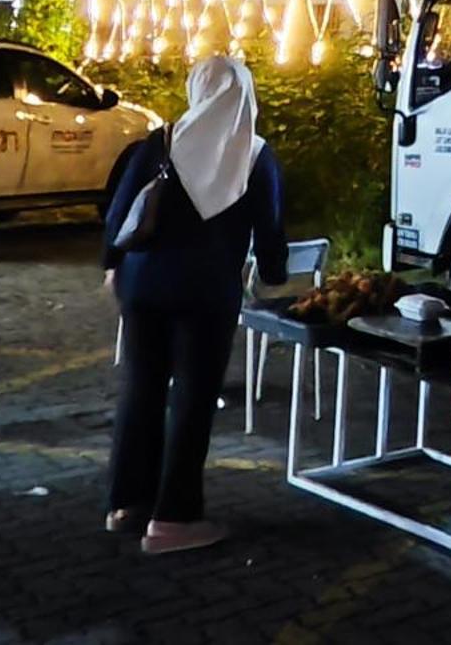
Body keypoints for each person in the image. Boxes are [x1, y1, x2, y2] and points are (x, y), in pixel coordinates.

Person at [102, 54, 285, 555]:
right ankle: (175, 519)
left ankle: (127, 506)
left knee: (140, 390)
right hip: (206, 295)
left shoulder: (160, 142)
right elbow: (269, 231)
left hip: (142, 288)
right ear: (244, 96)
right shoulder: (256, 154)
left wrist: (111, 264)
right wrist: (275, 278)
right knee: (191, 400)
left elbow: (119, 212)